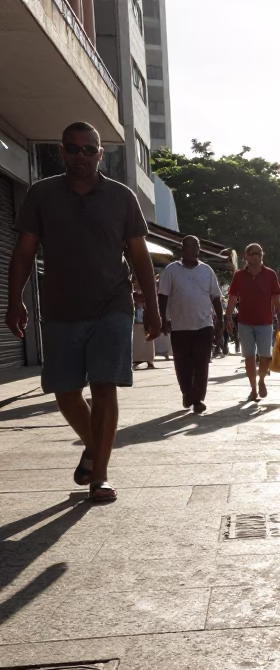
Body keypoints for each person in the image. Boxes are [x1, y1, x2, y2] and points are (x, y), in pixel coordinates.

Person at [5, 121, 158, 503]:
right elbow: (24, 251)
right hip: (61, 307)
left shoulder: (122, 197)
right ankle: (95, 445)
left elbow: (139, 256)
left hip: (112, 305)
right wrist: (14, 300)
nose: (81, 156)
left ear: (100, 154)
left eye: (89, 149)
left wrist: (153, 308)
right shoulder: (41, 195)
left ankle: (100, 477)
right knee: (66, 391)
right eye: (73, 149)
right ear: (61, 151)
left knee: (105, 385)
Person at [159, 235, 224, 414]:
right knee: (183, 364)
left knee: (202, 363)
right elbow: (163, 295)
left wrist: (220, 319)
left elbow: (215, 297)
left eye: (197, 247)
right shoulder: (171, 270)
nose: (194, 250)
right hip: (179, 326)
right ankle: (187, 392)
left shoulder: (207, 271)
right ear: (183, 250)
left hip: (204, 324)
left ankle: (197, 400)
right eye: (190, 247)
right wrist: (162, 319)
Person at [225, 243, 280, 403]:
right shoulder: (239, 276)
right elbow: (232, 298)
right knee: (249, 357)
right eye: (251, 254)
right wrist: (228, 317)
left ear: (262, 255)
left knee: (265, 357)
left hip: (265, 322)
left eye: (257, 253)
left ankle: (262, 379)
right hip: (245, 322)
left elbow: (277, 301)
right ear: (246, 256)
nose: (255, 256)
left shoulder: (270, 275)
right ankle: (253, 389)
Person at [132, 284, 156, 370]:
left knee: (148, 342)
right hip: (136, 320)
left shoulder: (147, 293)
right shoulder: (133, 293)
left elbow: (147, 301)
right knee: (137, 342)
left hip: (145, 321)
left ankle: (149, 361)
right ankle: (136, 360)